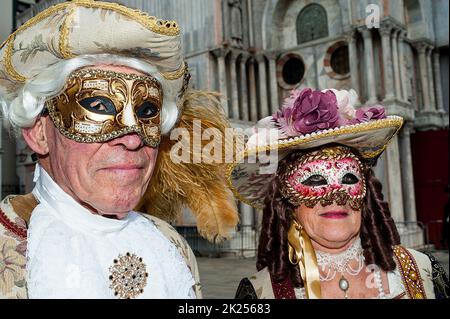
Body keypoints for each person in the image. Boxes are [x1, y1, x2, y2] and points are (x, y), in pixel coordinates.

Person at [0, 0, 238, 299]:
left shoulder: (169, 246)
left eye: (147, 110)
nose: (133, 138)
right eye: (98, 106)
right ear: (38, 132)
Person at [228, 88, 449, 299]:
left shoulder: (421, 271)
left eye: (349, 178)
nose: (336, 194)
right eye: (314, 179)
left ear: (365, 194)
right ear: (287, 200)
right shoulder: (260, 292)